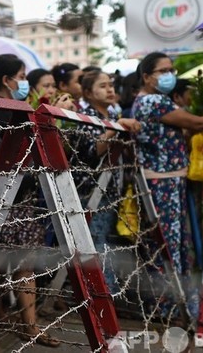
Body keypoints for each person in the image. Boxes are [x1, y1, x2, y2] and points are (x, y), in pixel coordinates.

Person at [132, 52, 203, 321]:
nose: (170, 75)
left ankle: (174, 304)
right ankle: (169, 306)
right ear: (146, 77)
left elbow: (184, 129)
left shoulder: (150, 101)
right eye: (163, 71)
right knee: (169, 245)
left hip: (167, 180)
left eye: (172, 70)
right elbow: (197, 122)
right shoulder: (153, 101)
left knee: (173, 244)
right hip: (162, 183)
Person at [0, 54, 59, 348]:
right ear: (7, 80)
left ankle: (30, 326)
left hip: (21, 197)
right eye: (21, 76)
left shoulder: (20, 108)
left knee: (25, 263)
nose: (24, 82)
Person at [71, 71, 140, 292]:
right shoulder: (86, 117)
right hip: (91, 190)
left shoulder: (110, 115)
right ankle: (104, 292)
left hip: (110, 188)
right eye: (103, 86)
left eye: (111, 85)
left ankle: (103, 290)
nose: (110, 89)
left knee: (104, 239)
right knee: (95, 241)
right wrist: (116, 127)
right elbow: (94, 150)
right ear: (88, 92)